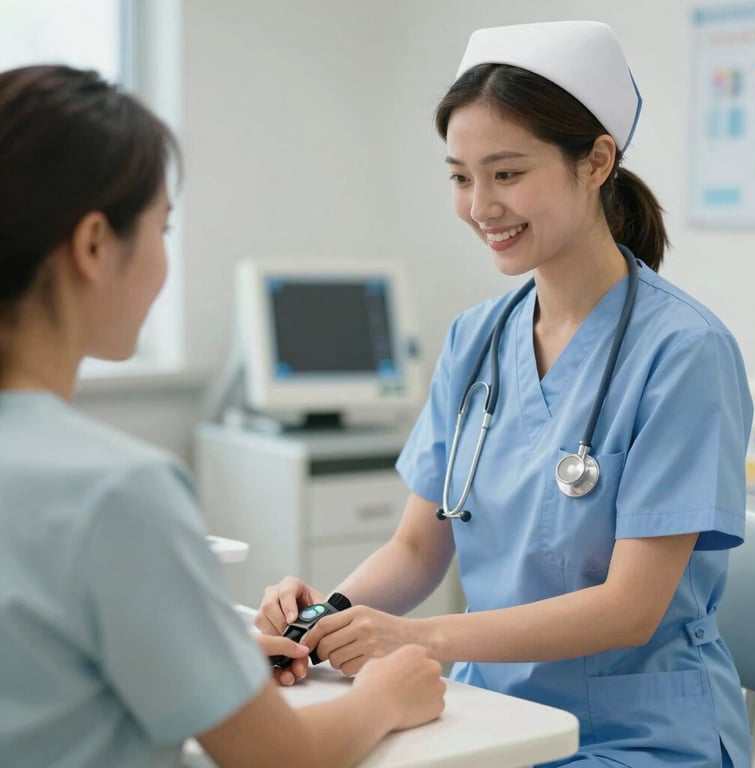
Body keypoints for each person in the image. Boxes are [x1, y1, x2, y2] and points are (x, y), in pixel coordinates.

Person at [256, 21, 754, 767]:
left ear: (596, 161)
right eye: (461, 176)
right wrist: (324, 619)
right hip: (487, 710)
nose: (481, 205)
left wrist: (420, 637)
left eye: (507, 173)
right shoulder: (476, 339)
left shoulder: (684, 352)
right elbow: (419, 547)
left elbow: (631, 608)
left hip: (637, 736)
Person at [0, 64, 445, 768]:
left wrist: (205, 655)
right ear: (92, 246)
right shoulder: (119, 491)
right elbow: (280, 758)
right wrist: (388, 692)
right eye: (162, 231)